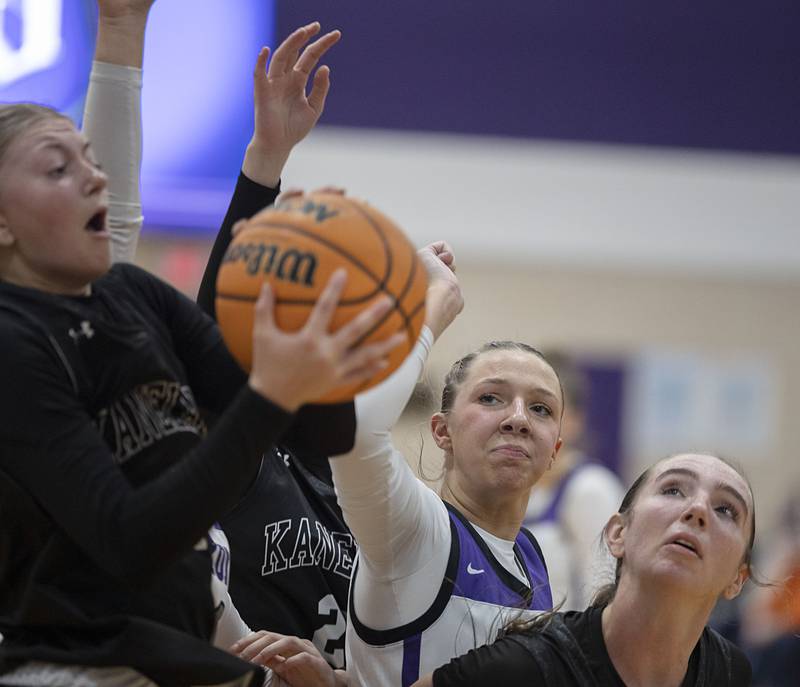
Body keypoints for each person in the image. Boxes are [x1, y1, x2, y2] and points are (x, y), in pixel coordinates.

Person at [0, 7, 398, 687]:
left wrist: (331, 356)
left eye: (94, 162)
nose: (96, 177)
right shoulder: (13, 344)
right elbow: (130, 540)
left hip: (174, 647)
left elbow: (314, 429)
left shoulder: (135, 295)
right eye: (59, 168)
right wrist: (277, 387)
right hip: (63, 666)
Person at [329, 309, 563, 685]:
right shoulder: (418, 528)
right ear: (442, 431)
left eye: (541, 408)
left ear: (555, 449)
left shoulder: (530, 554)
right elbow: (355, 433)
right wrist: (427, 313)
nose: (518, 418)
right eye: (490, 398)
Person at [418, 452, 755, 687]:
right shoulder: (524, 667)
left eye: (726, 510)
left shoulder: (729, 671)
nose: (697, 509)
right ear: (618, 534)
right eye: (673, 490)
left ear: (737, 580)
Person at [523, 350, 624, 610]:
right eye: (528, 408)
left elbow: (603, 598)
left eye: (543, 410)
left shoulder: (591, 488)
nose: (527, 420)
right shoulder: (510, 487)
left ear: (575, 420)